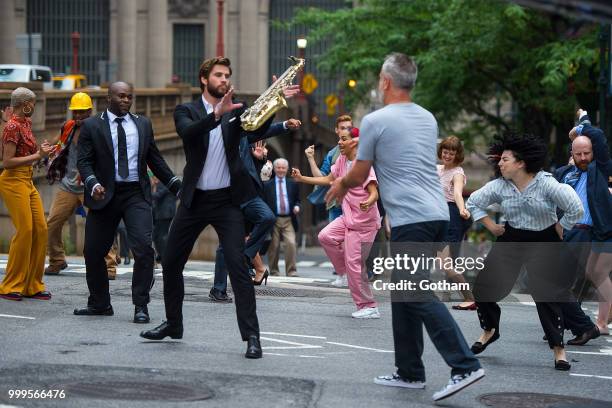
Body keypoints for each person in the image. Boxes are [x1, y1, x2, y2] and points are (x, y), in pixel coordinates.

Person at [326, 53, 483, 402]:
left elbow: (358, 170)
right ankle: (409, 372)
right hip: (434, 214)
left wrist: (338, 185)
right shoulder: (427, 118)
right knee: (403, 292)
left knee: (413, 290)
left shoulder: (375, 120)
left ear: (385, 81)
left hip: (412, 217)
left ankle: (464, 364)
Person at [139, 57, 299, 359]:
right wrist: (215, 114)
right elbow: (188, 133)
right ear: (204, 79)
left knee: (238, 267)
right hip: (194, 200)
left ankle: (252, 337)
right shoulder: (186, 110)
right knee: (171, 262)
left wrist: (276, 100)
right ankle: (173, 324)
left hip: (227, 201)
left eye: (227, 75)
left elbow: (255, 128)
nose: (224, 79)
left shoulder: (235, 111)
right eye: (218, 75)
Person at [466, 132, 584, 371]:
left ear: (521, 163)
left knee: (546, 295)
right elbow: (473, 203)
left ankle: (558, 350)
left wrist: (562, 227)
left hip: (544, 240)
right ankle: (490, 330)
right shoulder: (500, 185)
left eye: (505, 159)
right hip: (512, 238)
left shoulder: (546, 183)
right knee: (482, 289)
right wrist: (491, 226)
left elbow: (575, 207)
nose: (499, 163)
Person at [74, 81, 182, 323]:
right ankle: (100, 303)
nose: (125, 100)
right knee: (93, 252)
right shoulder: (92, 126)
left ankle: (141, 305)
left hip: (135, 194)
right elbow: (84, 161)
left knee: (143, 250)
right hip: (104, 194)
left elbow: (155, 159)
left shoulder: (142, 124)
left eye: (129, 97)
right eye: (121, 96)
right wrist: (93, 183)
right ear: (108, 99)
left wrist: (176, 186)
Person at [210, 118, 301, 302]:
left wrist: (283, 127)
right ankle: (218, 289)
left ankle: (246, 255)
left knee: (267, 217)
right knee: (224, 245)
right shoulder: (215, 137)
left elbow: (264, 131)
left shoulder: (244, 135)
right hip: (226, 196)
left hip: (248, 194)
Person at [292, 131, 381, 318]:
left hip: (365, 223)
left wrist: (369, 201)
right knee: (325, 236)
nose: (339, 142)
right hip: (348, 218)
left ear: (354, 143)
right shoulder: (340, 161)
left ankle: (369, 306)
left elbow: (374, 192)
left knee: (356, 264)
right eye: (339, 139)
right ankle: (345, 272)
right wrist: (302, 179)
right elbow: (328, 179)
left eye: (344, 139)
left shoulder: (363, 165)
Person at [44, 92, 120, 278]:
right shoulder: (68, 127)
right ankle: (57, 261)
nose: (78, 116)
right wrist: (49, 150)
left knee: (101, 224)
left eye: (82, 112)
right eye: (75, 112)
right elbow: (58, 144)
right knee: (52, 223)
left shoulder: (99, 128)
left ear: (89, 111)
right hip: (68, 186)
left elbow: (108, 156)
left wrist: (89, 173)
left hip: (91, 186)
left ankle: (109, 267)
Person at [555, 109, 611, 336]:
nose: (583, 158)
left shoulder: (601, 168)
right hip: (594, 232)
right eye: (578, 154)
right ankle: (596, 320)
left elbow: (596, 136)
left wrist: (581, 123)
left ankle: (601, 323)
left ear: (593, 153)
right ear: (572, 154)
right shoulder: (567, 173)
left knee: (597, 273)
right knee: (592, 272)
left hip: (605, 230)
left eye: (587, 153)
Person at [0, 87, 53, 301]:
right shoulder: (12, 127)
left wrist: (43, 152)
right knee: (25, 230)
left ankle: (33, 284)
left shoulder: (26, 123)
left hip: (27, 179)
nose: (34, 106)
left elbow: (29, 154)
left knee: (40, 228)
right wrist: (37, 155)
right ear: (25, 104)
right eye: (33, 102)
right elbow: (7, 162)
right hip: (13, 180)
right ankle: (11, 285)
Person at [436, 136, 476, 310]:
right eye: (445, 152)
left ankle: (469, 297)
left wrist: (462, 209)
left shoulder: (457, 173)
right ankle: (453, 293)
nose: (447, 155)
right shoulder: (437, 169)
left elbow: (458, 194)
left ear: (457, 154)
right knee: (442, 260)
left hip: (452, 215)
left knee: (446, 261)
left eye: (452, 153)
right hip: (437, 215)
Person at [264, 158, 301, 277]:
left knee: (291, 243)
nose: (280, 170)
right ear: (274, 169)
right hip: (273, 219)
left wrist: (297, 206)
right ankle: (274, 271)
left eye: (283, 168)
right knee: (274, 245)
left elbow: (298, 200)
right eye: (278, 167)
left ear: (287, 169)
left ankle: (291, 271)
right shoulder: (267, 185)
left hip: (289, 218)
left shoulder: (293, 184)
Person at [151, 172, 177, 265]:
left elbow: (158, 196)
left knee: (162, 236)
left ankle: (165, 256)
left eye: (154, 176)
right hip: (162, 213)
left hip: (165, 213)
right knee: (157, 236)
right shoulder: (162, 182)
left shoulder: (164, 182)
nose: (153, 178)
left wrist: (146, 192)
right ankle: (162, 255)